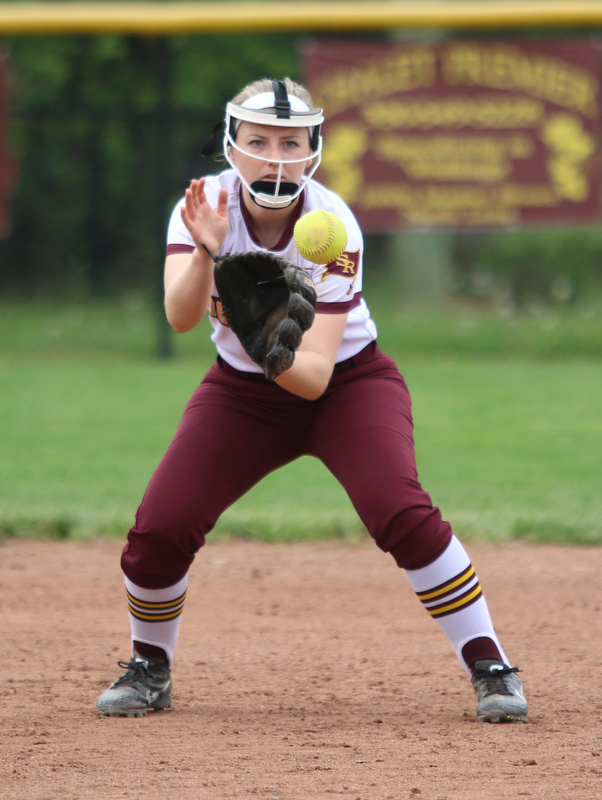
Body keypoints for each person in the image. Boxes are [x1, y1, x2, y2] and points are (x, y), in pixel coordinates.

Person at [97, 78, 528, 724]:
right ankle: (149, 669)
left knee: (399, 509)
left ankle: (490, 664)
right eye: (260, 141)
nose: (275, 158)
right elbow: (181, 317)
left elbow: (316, 375)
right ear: (232, 146)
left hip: (348, 387)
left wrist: (256, 329)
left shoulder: (332, 227)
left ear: (314, 149)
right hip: (241, 394)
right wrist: (208, 254)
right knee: (160, 526)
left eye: (291, 143)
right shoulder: (206, 206)